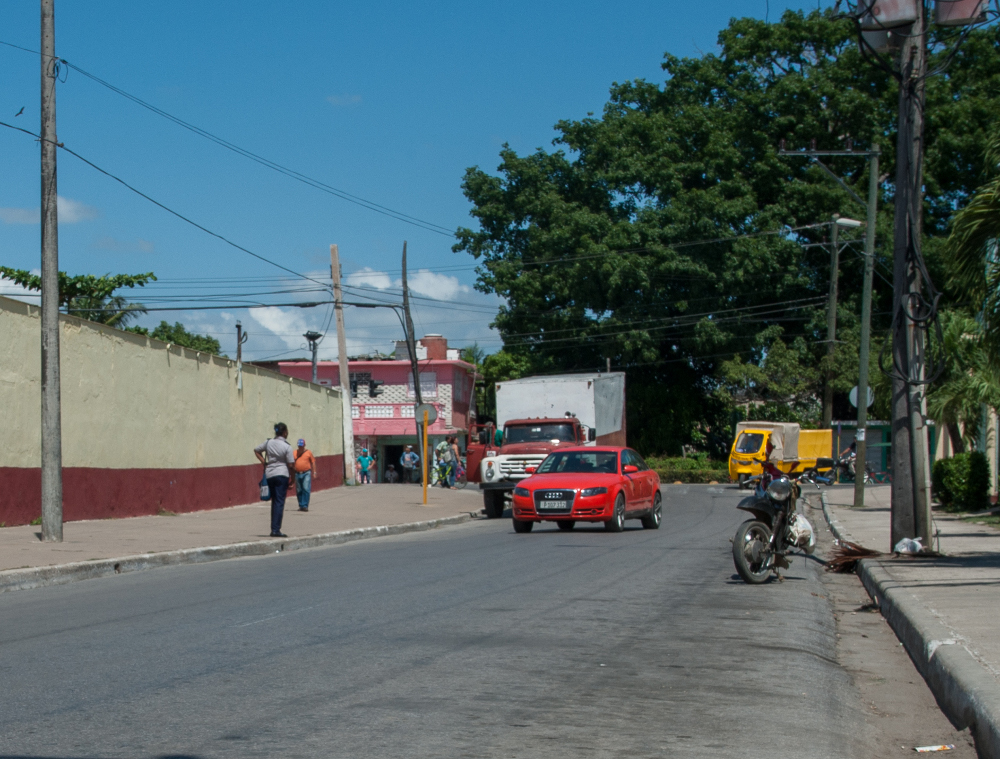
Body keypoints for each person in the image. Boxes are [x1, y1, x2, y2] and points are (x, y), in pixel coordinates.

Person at [254, 422, 296, 537]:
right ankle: (275, 530)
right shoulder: (287, 446)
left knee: (274, 502)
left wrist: (264, 463)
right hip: (282, 475)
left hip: (269, 475)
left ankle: (274, 527)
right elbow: (291, 465)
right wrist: (293, 479)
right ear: (285, 432)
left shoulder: (268, 443)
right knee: (279, 502)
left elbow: (257, 450)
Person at [293, 438, 317, 511]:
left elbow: (313, 462)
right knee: (299, 490)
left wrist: (314, 472)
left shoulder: (308, 452)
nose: (300, 447)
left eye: (301, 446)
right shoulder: (294, 452)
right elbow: (291, 462)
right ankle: (301, 505)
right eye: (299, 446)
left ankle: (305, 505)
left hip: (306, 472)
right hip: (297, 473)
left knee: (306, 488)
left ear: (304, 445)